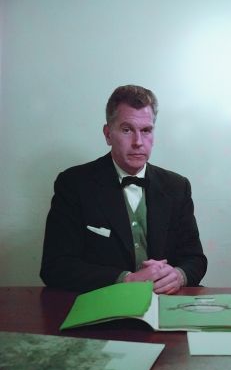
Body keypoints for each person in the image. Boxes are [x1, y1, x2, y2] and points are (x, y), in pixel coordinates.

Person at [40, 85, 207, 293]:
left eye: (146, 130)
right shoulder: (73, 184)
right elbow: (55, 267)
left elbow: (195, 259)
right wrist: (125, 279)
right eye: (127, 130)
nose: (138, 142)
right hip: (102, 307)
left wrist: (179, 276)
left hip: (166, 304)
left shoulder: (177, 186)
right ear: (108, 134)